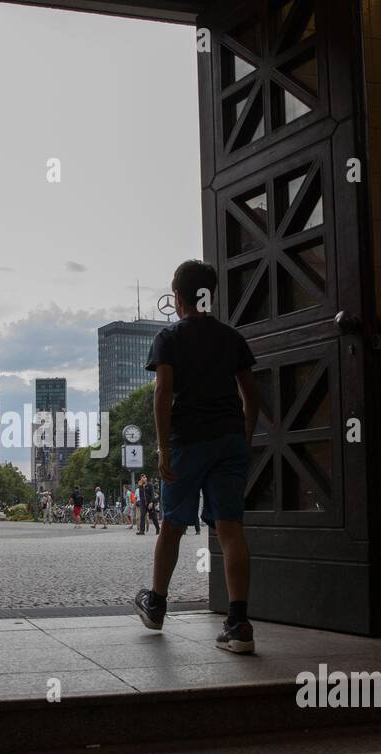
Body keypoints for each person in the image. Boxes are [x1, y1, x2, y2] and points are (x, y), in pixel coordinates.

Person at [133, 259, 259, 655]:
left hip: (188, 441)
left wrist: (164, 446)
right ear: (210, 295)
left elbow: (162, 394)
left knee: (171, 525)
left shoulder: (169, 338)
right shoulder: (232, 338)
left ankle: (156, 604)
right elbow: (251, 396)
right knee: (230, 528)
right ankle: (239, 623)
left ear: (177, 297)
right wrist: (245, 437)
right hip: (229, 439)